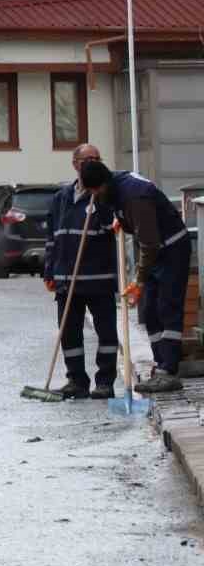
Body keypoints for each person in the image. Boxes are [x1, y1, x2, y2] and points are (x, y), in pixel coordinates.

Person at [79, 159, 193, 395]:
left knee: (167, 307)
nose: (94, 195)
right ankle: (160, 365)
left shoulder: (135, 197)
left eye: (94, 191)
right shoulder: (114, 189)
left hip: (170, 249)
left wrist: (139, 280)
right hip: (154, 251)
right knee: (149, 310)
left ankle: (169, 371)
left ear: (102, 184)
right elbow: (132, 225)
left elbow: (148, 242)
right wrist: (119, 219)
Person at [43, 144, 119, 399]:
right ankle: (76, 380)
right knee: (69, 331)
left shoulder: (104, 194)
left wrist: (101, 207)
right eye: (88, 159)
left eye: (98, 158)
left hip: (98, 278)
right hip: (67, 279)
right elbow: (52, 238)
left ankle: (105, 381)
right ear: (75, 164)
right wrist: (49, 271)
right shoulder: (60, 197)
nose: (94, 163)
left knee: (106, 332)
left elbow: (113, 228)